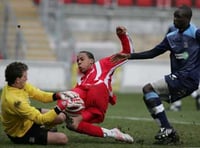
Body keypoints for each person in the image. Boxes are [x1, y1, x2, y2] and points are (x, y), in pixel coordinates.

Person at [111, 5, 200, 144]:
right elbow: (153, 53)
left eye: (179, 17)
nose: (175, 19)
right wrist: (129, 56)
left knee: (148, 89)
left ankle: (166, 128)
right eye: (174, 16)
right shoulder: (171, 37)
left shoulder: (196, 33)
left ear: (188, 18)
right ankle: (168, 131)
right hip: (183, 80)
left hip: (188, 77)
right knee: (149, 97)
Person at [64, 26, 134, 143]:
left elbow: (128, 53)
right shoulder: (81, 81)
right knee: (72, 123)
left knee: (95, 87)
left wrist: (123, 36)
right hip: (88, 107)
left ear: (91, 61)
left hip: (97, 101)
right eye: (77, 61)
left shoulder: (102, 64)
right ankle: (112, 133)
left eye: (82, 59)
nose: (79, 62)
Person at [0, 61, 80, 145]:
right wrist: (59, 107)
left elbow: (40, 95)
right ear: (17, 80)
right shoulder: (15, 101)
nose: (26, 79)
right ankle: (40, 131)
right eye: (24, 76)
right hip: (21, 133)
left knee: (61, 117)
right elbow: (41, 119)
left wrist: (57, 95)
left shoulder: (18, 85)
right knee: (63, 139)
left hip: (27, 117)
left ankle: (45, 129)